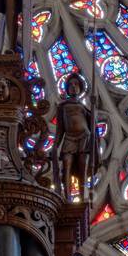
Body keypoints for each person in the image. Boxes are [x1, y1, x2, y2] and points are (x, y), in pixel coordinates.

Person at [55, 73, 95, 201]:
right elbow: (60, 129)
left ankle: (83, 197)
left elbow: (93, 125)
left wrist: (94, 108)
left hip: (84, 137)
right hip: (69, 138)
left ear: (81, 88)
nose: (73, 87)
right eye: (70, 84)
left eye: (76, 84)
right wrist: (55, 145)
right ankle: (67, 198)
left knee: (83, 166)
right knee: (67, 164)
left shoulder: (84, 107)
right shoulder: (63, 106)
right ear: (67, 88)